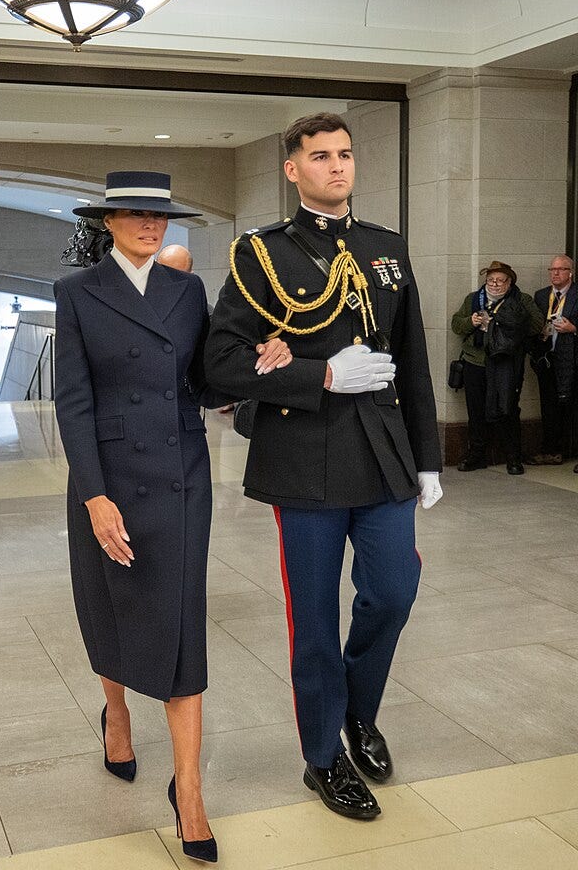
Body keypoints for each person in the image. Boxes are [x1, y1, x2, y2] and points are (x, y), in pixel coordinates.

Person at [205, 113, 442, 821]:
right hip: (303, 458)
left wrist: (428, 457)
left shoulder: (385, 248)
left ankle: (358, 713)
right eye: (319, 156)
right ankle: (321, 756)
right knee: (313, 619)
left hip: (383, 455)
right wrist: (319, 377)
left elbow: (416, 362)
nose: (336, 167)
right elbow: (220, 362)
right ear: (293, 170)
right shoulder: (261, 254)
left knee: (394, 592)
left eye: (344, 154)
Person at [53, 171, 291, 865]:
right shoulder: (76, 294)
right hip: (108, 480)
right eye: (136, 215)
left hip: (182, 476)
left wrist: (257, 364)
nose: (150, 226)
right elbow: (73, 403)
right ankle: (118, 713)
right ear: (111, 221)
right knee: (111, 604)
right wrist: (94, 495)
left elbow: (203, 383)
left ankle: (188, 792)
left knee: (182, 621)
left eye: (160, 217)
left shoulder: (187, 291)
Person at [451, 261, 544, 475]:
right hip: (475, 362)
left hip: (506, 365)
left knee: (508, 409)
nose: (494, 284)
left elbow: (537, 325)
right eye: (491, 280)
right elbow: (456, 324)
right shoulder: (473, 299)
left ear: (509, 283)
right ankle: (476, 455)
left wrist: (505, 321)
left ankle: (513, 457)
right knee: (476, 411)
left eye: (500, 281)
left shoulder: (522, 300)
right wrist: (470, 322)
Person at [526, 256, 578, 466]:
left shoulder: (576, 294)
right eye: (552, 269)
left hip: (573, 359)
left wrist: (573, 329)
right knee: (549, 407)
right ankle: (551, 450)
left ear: (570, 273)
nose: (555, 273)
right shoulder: (541, 296)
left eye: (561, 269)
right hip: (547, 359)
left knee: (573, 408)